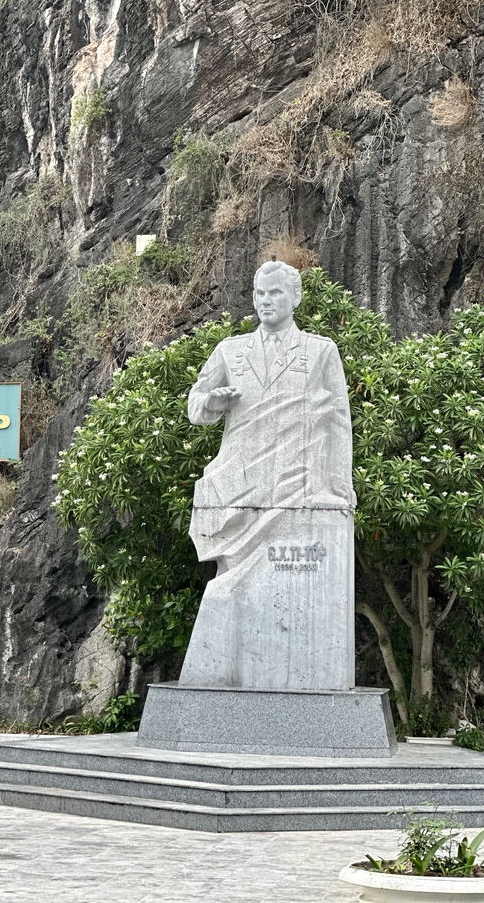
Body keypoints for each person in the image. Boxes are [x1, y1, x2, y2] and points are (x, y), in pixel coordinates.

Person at [179, 258, 356, 689]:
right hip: (240, 488)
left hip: (296, 487)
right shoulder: (230, 351)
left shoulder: (321, 351)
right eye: (259, 293)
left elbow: (338, 422)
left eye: (274, 293)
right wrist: (211, 403)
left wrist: (339, 486)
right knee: (229, 589)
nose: (264, 301)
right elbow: (195, 405)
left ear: (295, 297)